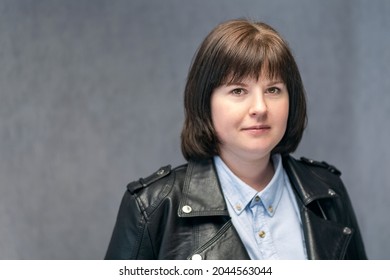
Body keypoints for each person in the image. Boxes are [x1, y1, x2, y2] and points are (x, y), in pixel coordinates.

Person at [105, 19, 367, 260]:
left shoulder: (328, 192)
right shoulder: (152, 207)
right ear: (205, 102)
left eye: (273, 90)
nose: (260, 108)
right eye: (238, 90)